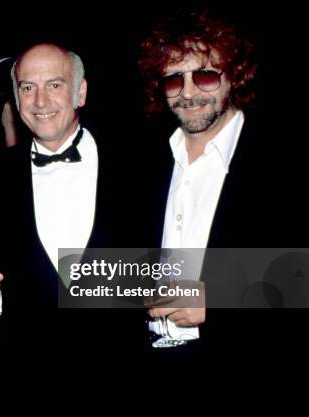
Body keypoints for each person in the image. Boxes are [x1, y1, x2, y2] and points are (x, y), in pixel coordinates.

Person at [0, 43, 147, 390]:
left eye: (54, 85)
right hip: (27, 378)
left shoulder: (139, 164)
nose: (40, 101)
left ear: (80, 92)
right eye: (28, 88)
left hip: (124, 375)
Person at [137, 9, 307, 376]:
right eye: (173, 80)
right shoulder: (144, 161)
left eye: (205, 76)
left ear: (234, 77)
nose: (188, 92)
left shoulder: (285, 162)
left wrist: (221, 299)